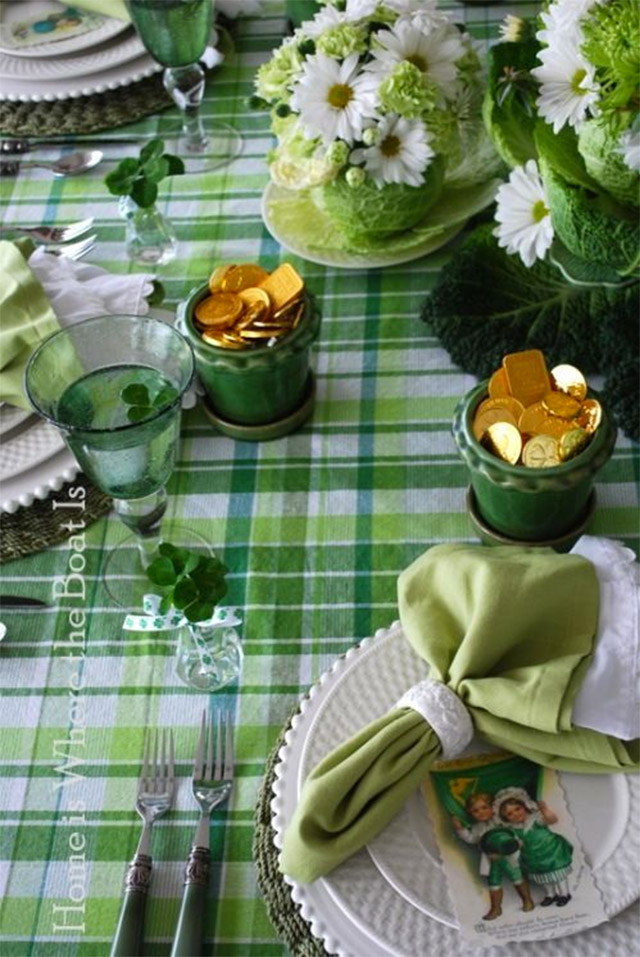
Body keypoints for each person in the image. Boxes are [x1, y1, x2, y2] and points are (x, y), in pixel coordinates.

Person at [452, 792, 534, 920]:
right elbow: (472, 839)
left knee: (517, 877)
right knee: (494, 883)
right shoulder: (477, 827)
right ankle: (496, 908)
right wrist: (460, 829)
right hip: (491, 860)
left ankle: (527, 900)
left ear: (492, 807)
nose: (481, 812)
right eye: (476, 811)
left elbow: (513, 831)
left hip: (508, 856)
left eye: (484, 807)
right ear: (471, 814)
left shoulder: (500, 820)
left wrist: (517, 843)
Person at [495, 787, 574, 907]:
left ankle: (564, 894)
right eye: (510, 814)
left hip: (551, 851)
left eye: (517, 809)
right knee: (543, 877)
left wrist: (545, 810)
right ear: (506, 818)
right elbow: (515, 841)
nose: (515, 814)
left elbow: (552, 820)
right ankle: (550, 895)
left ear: (525, 806)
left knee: (558, 874)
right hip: (533, 856)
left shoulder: (535, 819)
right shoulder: (513, 829)